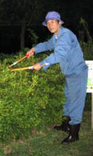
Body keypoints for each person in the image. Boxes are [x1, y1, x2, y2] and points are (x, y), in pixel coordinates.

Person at [26, 11, 88, 144]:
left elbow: (58, 55)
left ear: (59, 22)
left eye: (53, 22)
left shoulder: (65, 35)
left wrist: (41, 64)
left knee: (76, 103)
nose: (50, 25)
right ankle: (66, 125)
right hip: (69, 73)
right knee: (67, 100)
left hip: (77, 73)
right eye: (48, 23)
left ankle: (74, 134)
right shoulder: (56, 36)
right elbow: (48, 45)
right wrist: (34, 49)